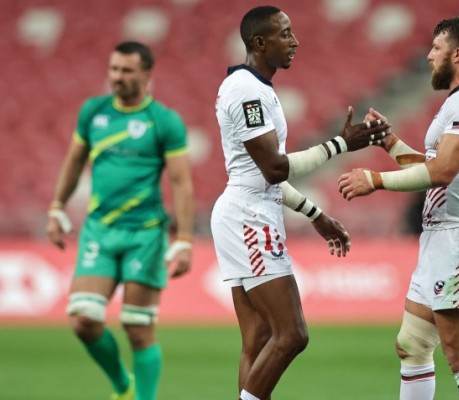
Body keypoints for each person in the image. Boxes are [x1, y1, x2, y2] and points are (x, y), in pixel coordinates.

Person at [210, 6, 390, 400]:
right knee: (292, 334)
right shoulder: (247, 91)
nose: (295, 41)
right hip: (248, 217)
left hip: (247, 208)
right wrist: (342, 144)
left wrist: (316, 214)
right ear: (260, 43)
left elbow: (261, 176)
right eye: (285, 34)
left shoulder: (255, 88)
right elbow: (274, 169)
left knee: (258, 339)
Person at [338, 15, 459, 400]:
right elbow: (431, 167)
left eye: (436, 48)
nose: (428, 56)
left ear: (457, 53)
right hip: (441, 240)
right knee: (411, 344)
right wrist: (391, 143)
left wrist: (375, 180)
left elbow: (442, 171)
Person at [45, 41, 194, 400]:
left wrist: (185, 239)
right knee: (83, 320)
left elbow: (180, 181)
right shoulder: (93, 113)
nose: (117, 77)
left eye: (126, 70)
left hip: (145, 234)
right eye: (113, 69)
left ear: (146, 74)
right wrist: (56, 207)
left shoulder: (164, 121)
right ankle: (122, 386)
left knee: (138, 328)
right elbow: (74, 161)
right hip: (100, 229)